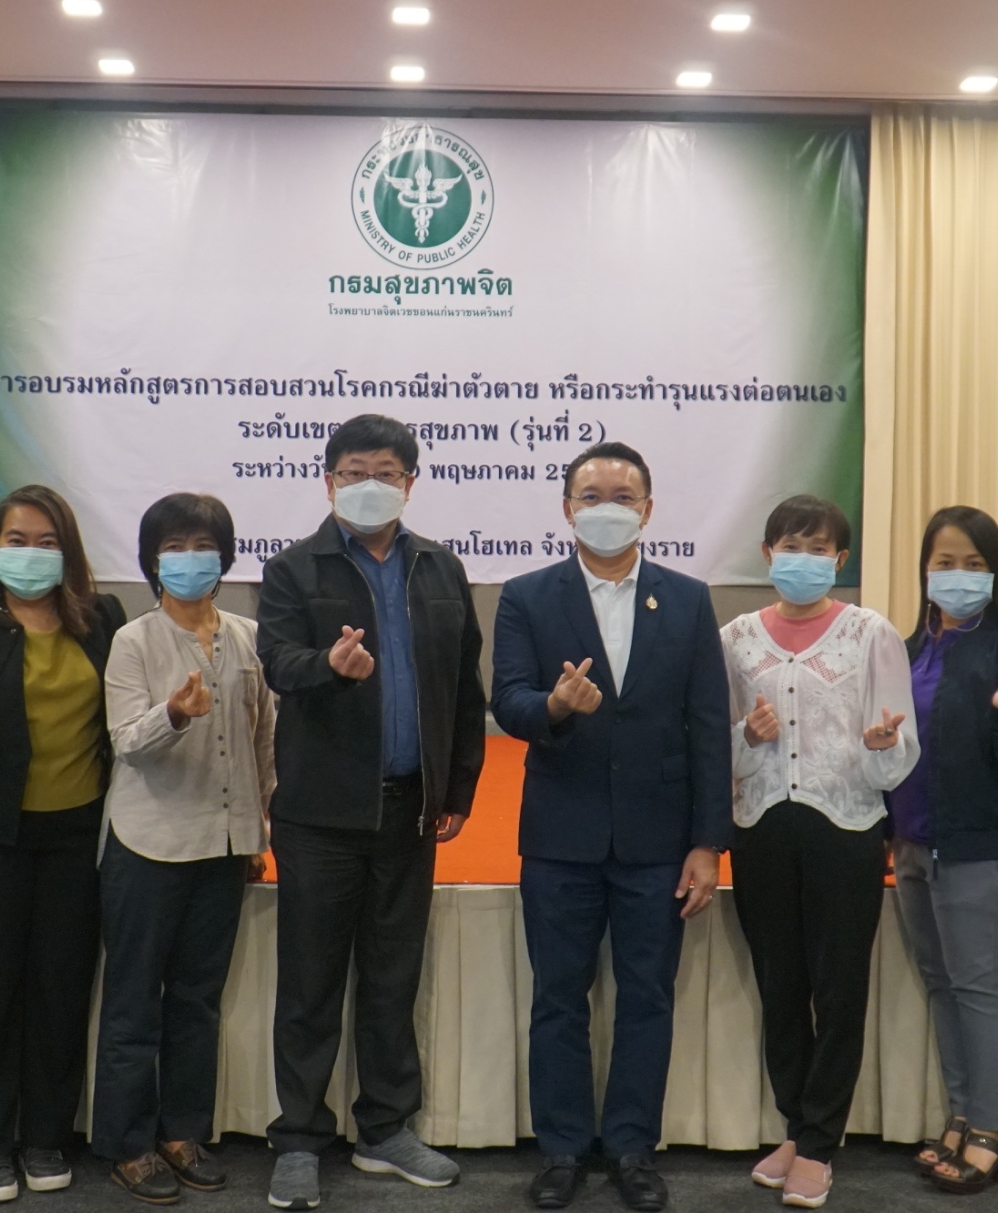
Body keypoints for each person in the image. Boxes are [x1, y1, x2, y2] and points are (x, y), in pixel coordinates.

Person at [491, 441, 733, 1213]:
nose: (606, 508)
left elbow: (708, 725)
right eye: (590, 495)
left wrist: (708, 842)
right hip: (559, 837)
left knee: (647, 997)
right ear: (567, 508)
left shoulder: (687, 599)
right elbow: (508, 700)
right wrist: (556, 707)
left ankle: (632, 1147)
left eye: (622, 497)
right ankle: (562, 1148)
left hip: (658, 841)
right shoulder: (527, 595)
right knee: (558, 998)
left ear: (648, 510)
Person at [254, 414, 487, 1212]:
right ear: (328, 481)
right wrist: (329, 663)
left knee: (392, 979)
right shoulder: (293, 567)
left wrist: (456, 788)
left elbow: (464, 688)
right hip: (319, 814)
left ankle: (386, 1128)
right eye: (353, 472)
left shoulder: (441, 568)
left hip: (409, 808)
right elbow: (277, 662)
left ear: (410, 483)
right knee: (310, 983)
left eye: (385, 472)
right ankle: (298, 1138)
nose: (369, 485)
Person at [0, 486, 128, 1204]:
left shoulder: (102, 617)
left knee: (61, 987)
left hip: (76, 832)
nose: (32, 553)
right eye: (17, 540)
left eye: (47, 541)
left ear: (69, 551)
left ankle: (46, 1134)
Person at [721, 495, 919, 1210]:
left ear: (840, 558)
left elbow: (900, 746)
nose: (802, 559)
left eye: (818, 548)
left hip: (846, 827)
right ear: (767, 553)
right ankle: (796, 1126)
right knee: (780, 986)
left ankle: (818, 1143)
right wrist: (747, 736)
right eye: (790, 545)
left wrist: (882, 745)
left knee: (838, 989)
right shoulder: (736, 638)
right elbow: (716, 743)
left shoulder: (871, 633)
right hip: (762, 827)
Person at [93, 493, 274, 1205]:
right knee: (134, 1002)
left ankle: (182, 1132)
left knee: (198, 1001)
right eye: (175, 546)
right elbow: (124, 741)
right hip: (148, 842)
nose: (190, 558)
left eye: (203, 546)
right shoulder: (132, 641)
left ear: (224, 558)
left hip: (223, 845)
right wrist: (171, 713)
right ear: (152, 560)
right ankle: (128, 1143)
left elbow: (263, 739)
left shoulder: (250, 636)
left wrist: (257, 828)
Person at [890, 506, 998, 1195]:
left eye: (974, 564)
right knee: (940, 982)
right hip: (913, 840)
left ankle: (996, 1128)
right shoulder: (905, 648)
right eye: (944, 563)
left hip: (982, 845)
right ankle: (962, 1112)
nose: (958, 576)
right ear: (924, 571)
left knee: (979, 985)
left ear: (995, 572)